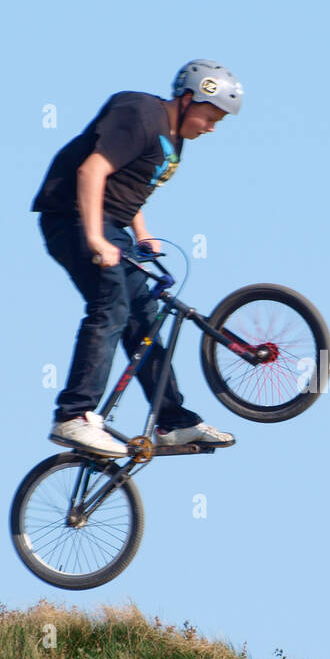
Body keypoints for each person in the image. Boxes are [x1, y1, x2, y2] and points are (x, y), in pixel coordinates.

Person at [31, 60, 243, 456]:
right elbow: (92, 171)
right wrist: (95, 237)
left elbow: (125, 188)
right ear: (186, 99)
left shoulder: (174, 138)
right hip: (72, 219)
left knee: (145, 314)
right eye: (210, 116)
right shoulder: (141, 114)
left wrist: (141, 234)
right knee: (110, 302)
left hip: (110, 225)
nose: (212, 127)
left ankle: (171, 421)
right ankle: (73, 416)